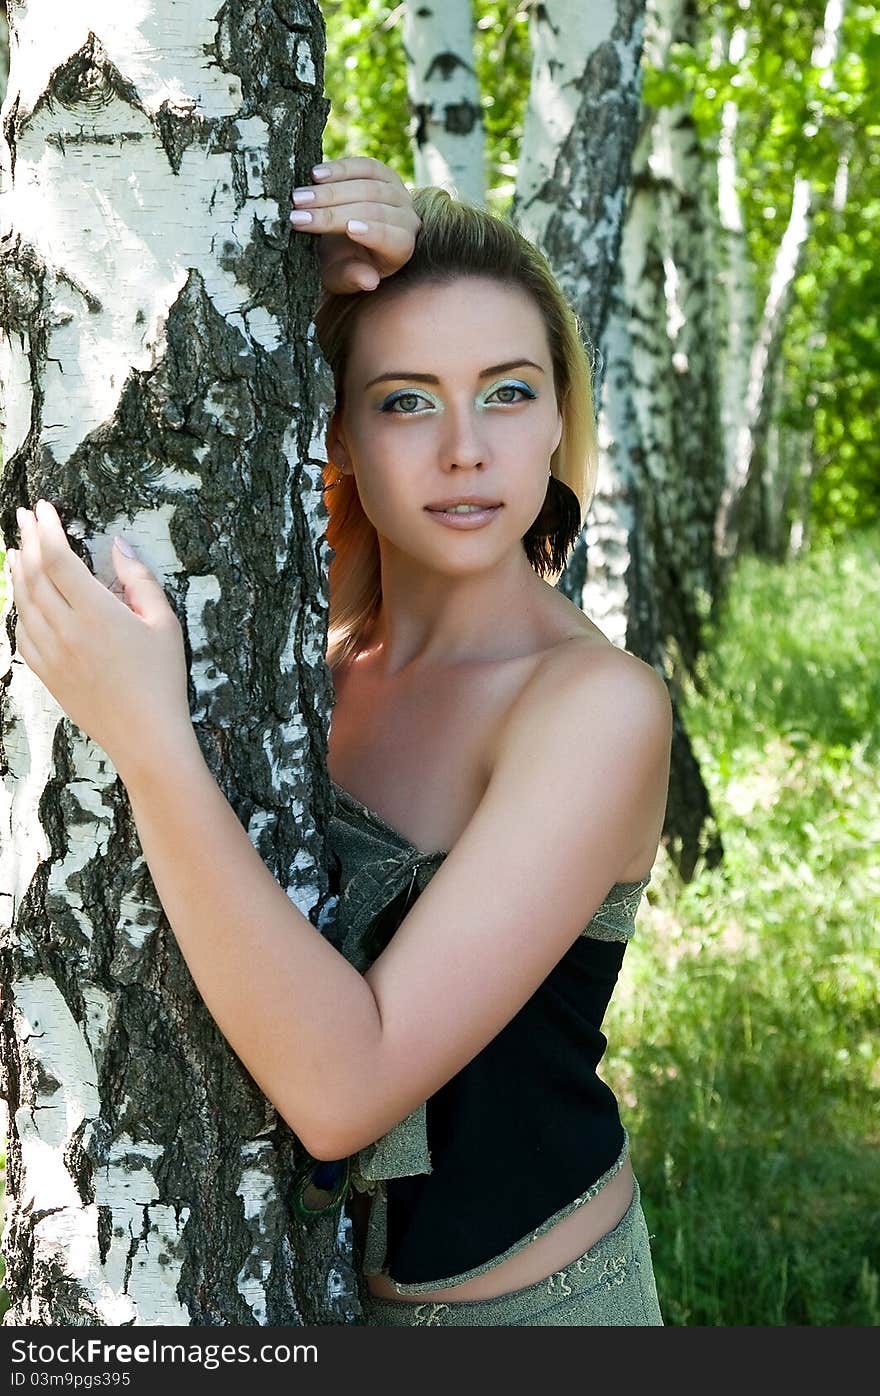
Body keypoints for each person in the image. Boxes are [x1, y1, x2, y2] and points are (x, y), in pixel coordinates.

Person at [6, 158, 671, 1327]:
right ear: (344, 437)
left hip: (531, 1314)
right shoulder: (313, 663)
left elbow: (342, 1089)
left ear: (562, 411)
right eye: (406, 397)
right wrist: (289, 262)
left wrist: (149, 741)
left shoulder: (595, 708)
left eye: (507, 392)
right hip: (306, 1312)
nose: (465, 447)